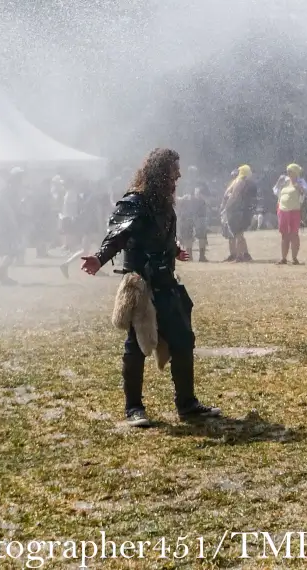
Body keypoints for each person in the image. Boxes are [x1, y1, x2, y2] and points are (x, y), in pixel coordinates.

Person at [81, 148, 220, 428]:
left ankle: (187, 404)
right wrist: (100, 257)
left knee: (183, 339)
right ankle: (133, 408)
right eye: (173, 170)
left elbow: (160, 236)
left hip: (166, 282)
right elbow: (118, 235)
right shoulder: (136, 201)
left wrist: (175, 248)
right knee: (137, 346)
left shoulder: (164, 203)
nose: (178, 175)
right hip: (141, 285)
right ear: (159, 171)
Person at [273, 164, 307, 264]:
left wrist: (300, 188)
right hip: (282, 210)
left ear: (295, 172)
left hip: (294, 210)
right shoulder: (284, 181)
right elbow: (276, 191)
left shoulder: (300, 181)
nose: (288, 173)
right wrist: (278, 183)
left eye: (290, 171)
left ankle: (294, 258)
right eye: (287, 171)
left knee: (294, 235)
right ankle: (283, 258)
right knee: (284, 235)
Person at [222, 165, 256, 262]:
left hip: (235, 210)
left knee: (238, 234)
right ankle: (242, 256)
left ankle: (240, 256)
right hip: (238, 210)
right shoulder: (242, 182)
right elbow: (232, 194)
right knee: (238, 234)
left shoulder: (239, 181)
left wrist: (226, 206)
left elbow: (230, 195)